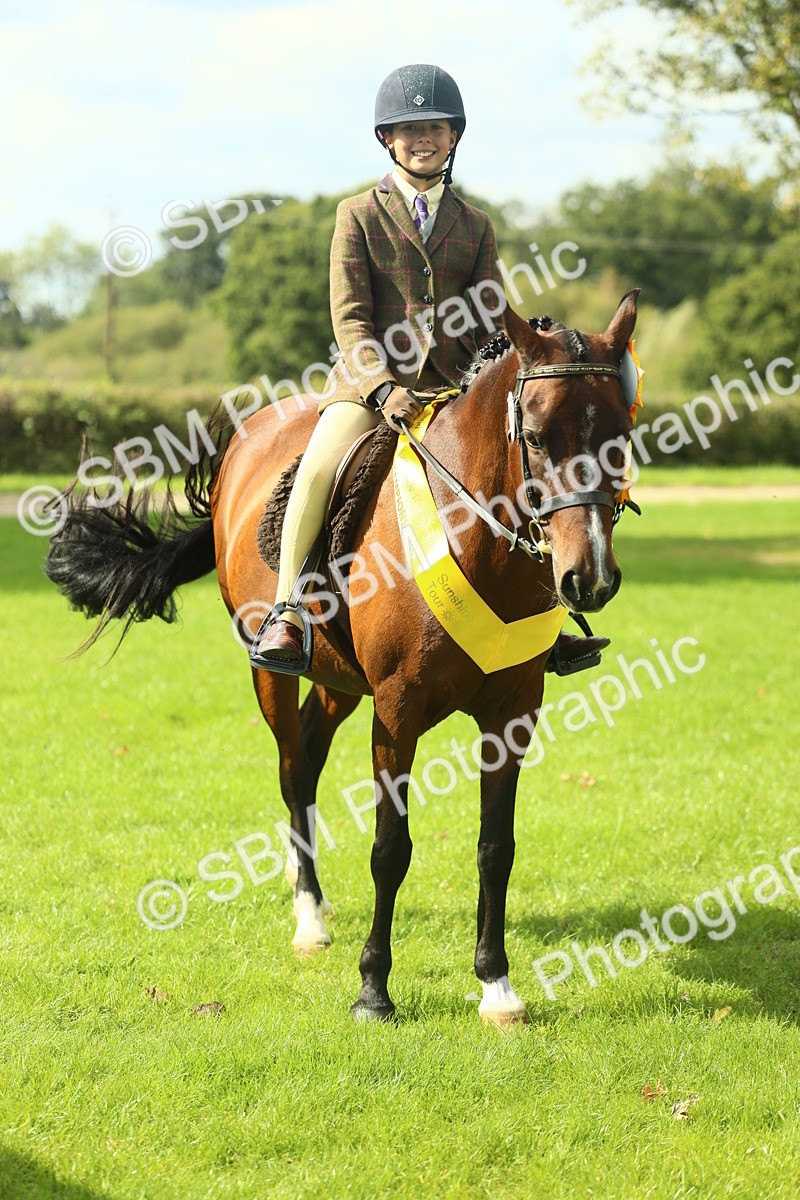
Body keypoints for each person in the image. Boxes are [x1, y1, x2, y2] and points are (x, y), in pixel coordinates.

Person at [255, 63, 608, 675]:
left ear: (454, 137)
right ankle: (287, 611)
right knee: (317, 470)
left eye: (436, 128)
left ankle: (544, 625)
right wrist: (381, 387)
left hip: (452, 388)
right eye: (410, 129)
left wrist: (524, 355)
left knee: (523, 474)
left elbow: (490, 316)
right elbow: (350, 318)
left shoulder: (475, 226)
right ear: (387, 139)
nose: (424, 138)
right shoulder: (357, 214)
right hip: (368, 389)